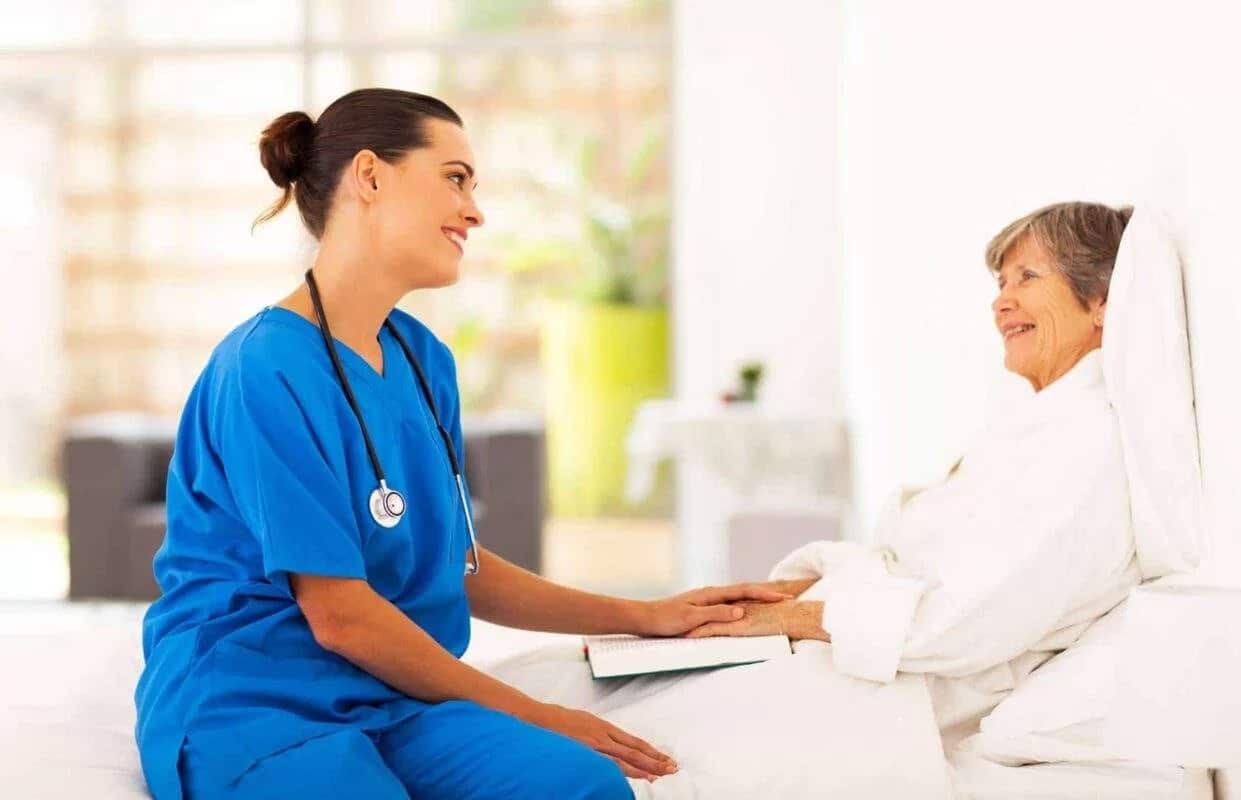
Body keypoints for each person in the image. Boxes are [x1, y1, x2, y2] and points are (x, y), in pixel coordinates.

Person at [133, 88, 788, 800]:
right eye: (454, 178)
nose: (475, 210)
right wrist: (538, 713)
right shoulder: (262, 370)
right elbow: (341, 616)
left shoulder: (422, 360)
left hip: (387, 697)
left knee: (584, 784)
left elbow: (455, 565)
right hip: (255, 705)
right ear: (372, 177)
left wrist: (646, 615)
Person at [685, 202, 1142, 751]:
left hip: (902, 696)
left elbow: (964, 625)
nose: (1001, 302)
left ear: (1101, 302)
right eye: (1001, 282)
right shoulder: (1033, 427)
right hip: (858, 654)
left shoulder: (1088, 450)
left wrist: (792, 618)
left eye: (1028, 276)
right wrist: (775, 596)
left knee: (656, 725)